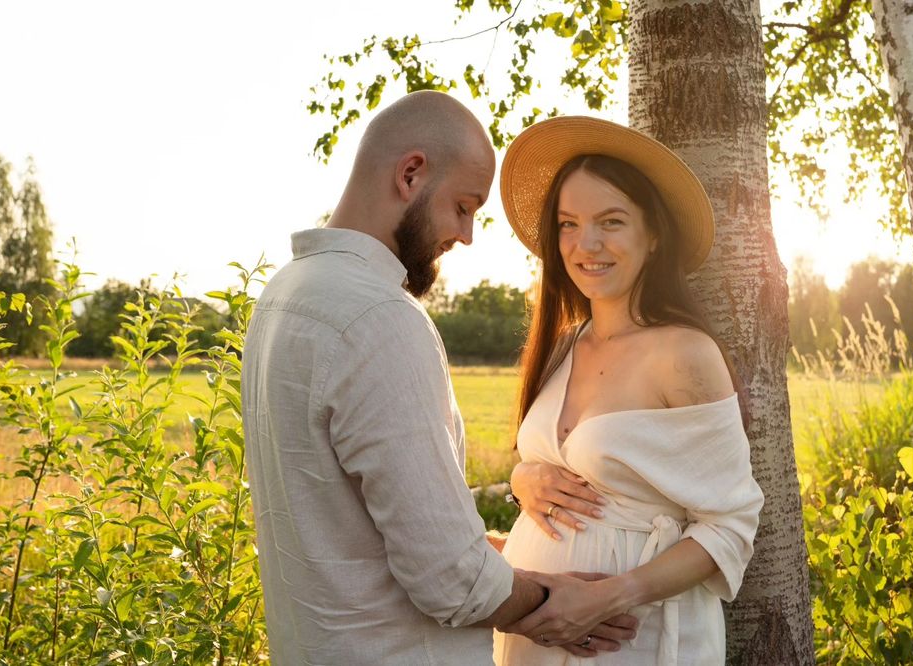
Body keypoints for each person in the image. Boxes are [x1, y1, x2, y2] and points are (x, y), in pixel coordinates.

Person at [241, 92, 636, 665]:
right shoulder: (379, 318)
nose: (467, 234)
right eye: (463, 206)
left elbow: (355, 524)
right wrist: (553, 600)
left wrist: (507, 552)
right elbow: (450, 578)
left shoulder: (282, 296)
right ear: (411, 174)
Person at [492, 116, 765, 664]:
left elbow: (730, 525)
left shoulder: (683, 353)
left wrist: (607, 597)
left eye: (611, 221)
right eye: (568, 224)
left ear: (654, 235)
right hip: (534, 639)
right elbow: (559, 470)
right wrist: (523, 480)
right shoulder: (562, 347)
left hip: (631, 638)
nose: (586, 244)